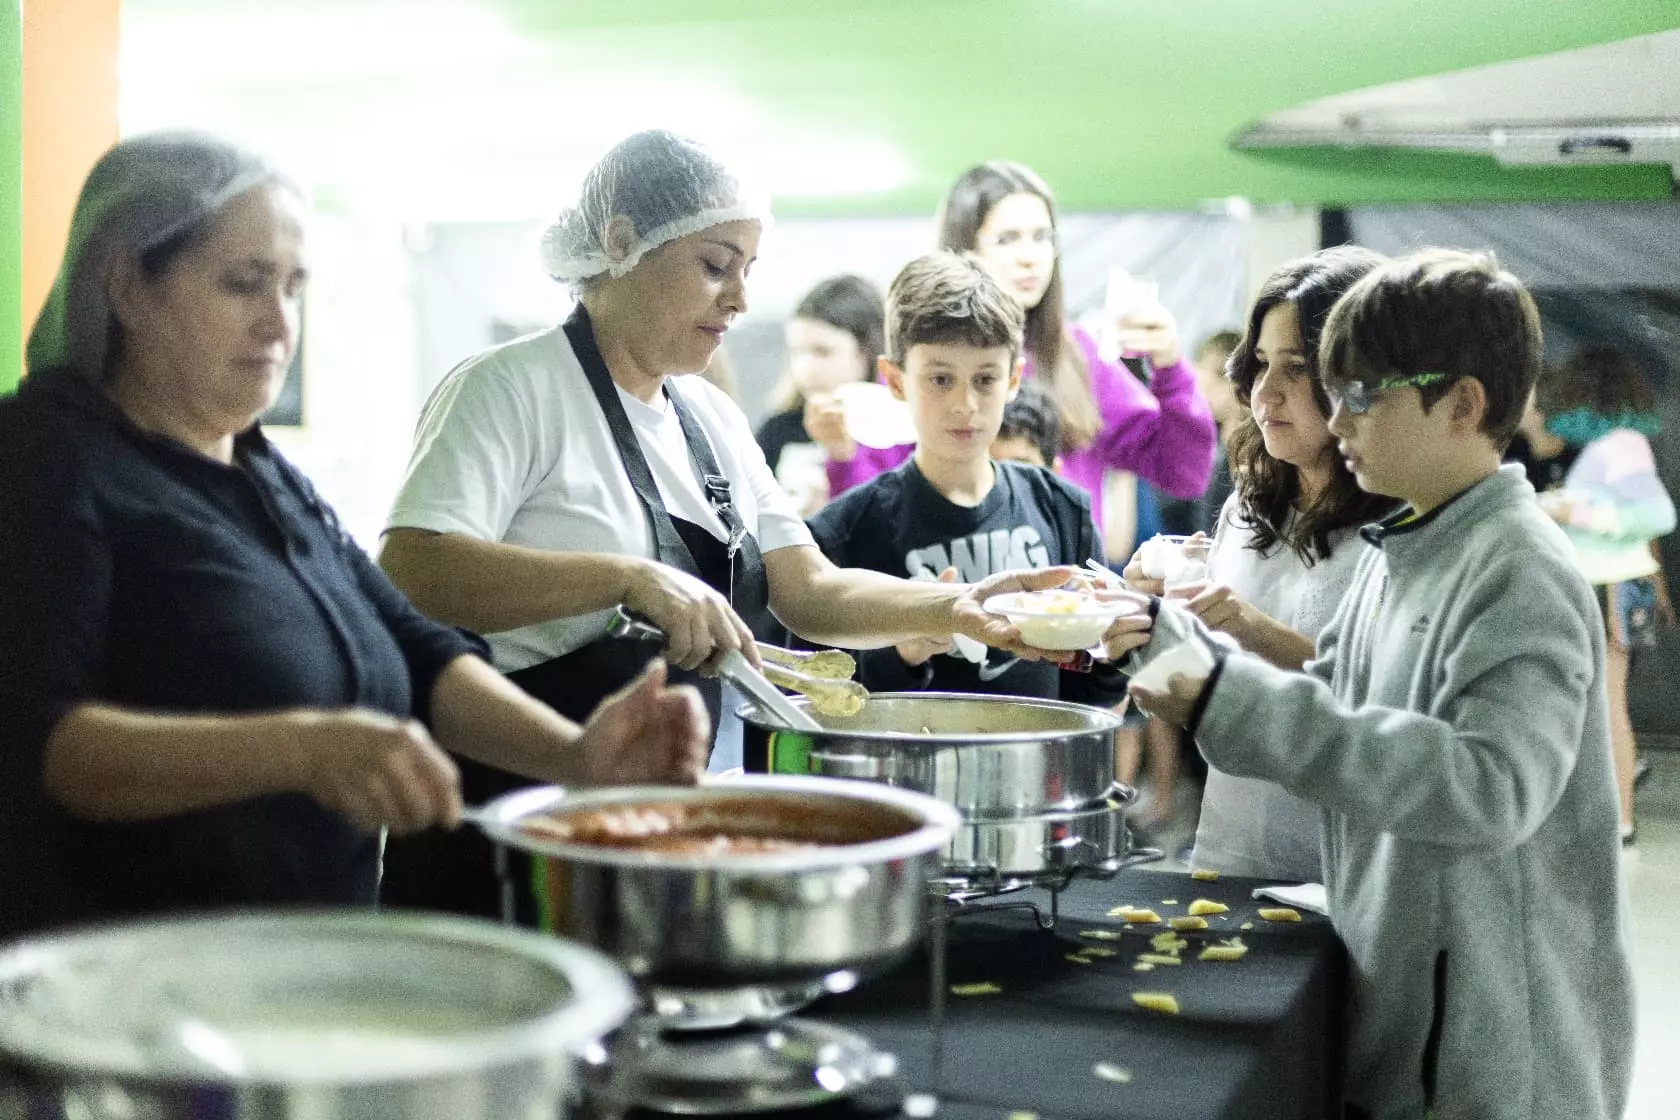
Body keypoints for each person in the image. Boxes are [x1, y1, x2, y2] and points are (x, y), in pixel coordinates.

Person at [0, 133, 710, 943]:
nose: (279, 324)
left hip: (298, 966)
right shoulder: (43, 461)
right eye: (243, 284)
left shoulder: (264, 475)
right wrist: (298, 748)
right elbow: (37, 739)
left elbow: (414, 647)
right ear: (128, 283)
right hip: (126, 982)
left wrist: (577, 757)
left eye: (293, 288)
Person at [376, 131, 1075, 920]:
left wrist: (958, 606)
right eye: (715, 266)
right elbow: (412, 570)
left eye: (748, 271)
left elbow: (809, 590)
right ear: (621, 243)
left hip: (642, 825)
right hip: (503, 822)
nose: (739, 300)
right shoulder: (511, 388)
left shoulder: (710, 418)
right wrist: (629, 580)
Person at [1115, 249, 1633, 1120]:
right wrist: (1155, 647)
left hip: (1493, 1062)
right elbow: (1341, 696)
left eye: (1361, 392)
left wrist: (1216, 691)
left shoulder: (1520, 569)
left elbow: (1486, 788)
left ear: (1463, 404)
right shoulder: (1410, 548)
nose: (1336, 414)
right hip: (1405, 1018)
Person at [1122, 247, 1395, 881]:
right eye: (1262, 364)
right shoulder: (1249, 506)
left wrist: (1250, 628)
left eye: (1296, 368)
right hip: (1230, 854)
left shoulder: (1399, 521)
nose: (1267, 392)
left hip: (1343, 873)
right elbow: (1194, 696)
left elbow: (1390, 707)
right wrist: (1143, 628)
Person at [819, 162, 1216, 532]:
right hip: (947, 575)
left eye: (1042, 237)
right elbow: (868, 517)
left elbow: (1185, 473)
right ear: (963, 248)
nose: (1030, 257)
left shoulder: (1075, 353)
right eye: (1006, 239)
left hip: (1065, 581)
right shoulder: (923, 359)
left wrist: (1170, 368)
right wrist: (841, 456)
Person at [806, 253, 1129, 706]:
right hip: (900, 752)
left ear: (1013, 380)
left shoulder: (1063, 510)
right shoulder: (843, 531)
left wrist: (1121, 644)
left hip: (1037, 749)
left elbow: (1092, 695)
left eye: (985, 379)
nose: (965, 404)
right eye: (941, 379)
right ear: (895, 380)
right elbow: (808, 691)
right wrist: (903, 653)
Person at [1536, 344, 1676, 844]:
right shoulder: (1615, 446)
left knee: (1607, 707)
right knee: (1602, 705)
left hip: (1610, 586)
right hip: (1611, 582)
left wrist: (1570, 511)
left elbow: (1656, 515)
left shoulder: (1618, 446)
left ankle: (1619, 820)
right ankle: (1615, 817)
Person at [756, 274, 884, 515]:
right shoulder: (777, 430)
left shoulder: (892, 432)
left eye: (823, 352)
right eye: (798, 352)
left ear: (866, 352)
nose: (807, 368)